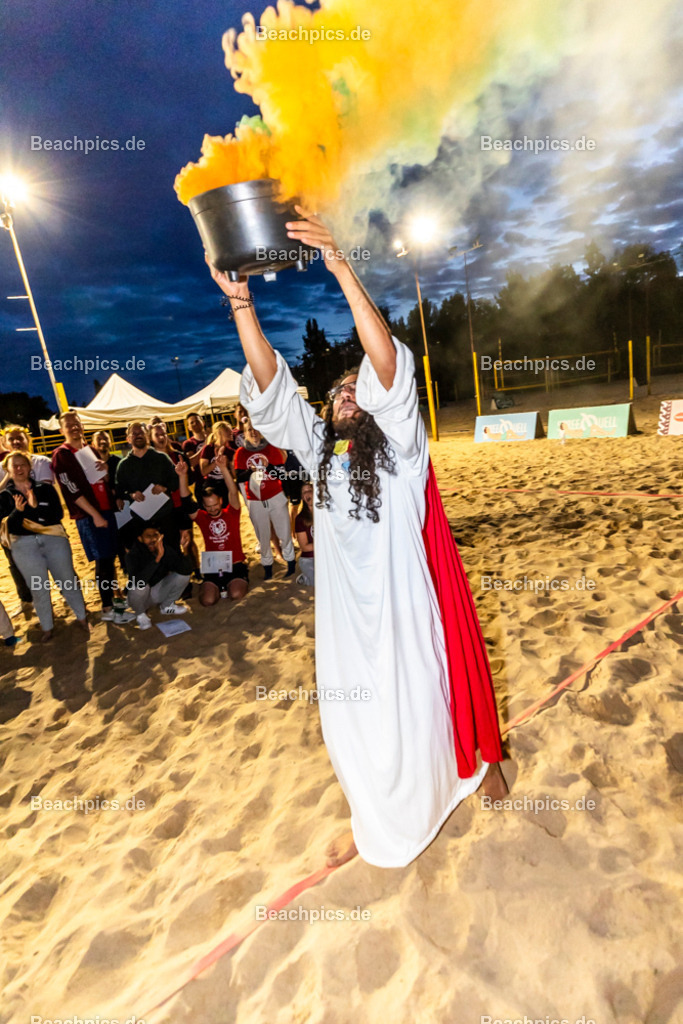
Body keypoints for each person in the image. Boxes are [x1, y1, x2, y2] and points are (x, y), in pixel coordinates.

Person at [207, 208, 507, 870]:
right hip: (344, 620)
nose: (347, 396)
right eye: (338, 393)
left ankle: (457, 784)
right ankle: (379, 823)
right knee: (352, 727)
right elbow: (269, 387)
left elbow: (387, 365)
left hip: (403, 609)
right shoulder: (316, 451)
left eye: (357, 391)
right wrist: (240, 307)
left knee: (418, 712)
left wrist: (340, 265)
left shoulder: (401, 449)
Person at [0, 452, 89, 641]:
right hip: (23, 545)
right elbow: (8, 527)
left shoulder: (45, 489)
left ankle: (82, 617)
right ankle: (47, 627)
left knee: (66, 580)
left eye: (22, 464)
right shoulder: (4, 496)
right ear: (7, 469)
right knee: (38, 587)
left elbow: (56, 514)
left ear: (29, 467)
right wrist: (20, 511)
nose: (18, 468)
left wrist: (34, 508)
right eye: (14, 465)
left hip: (53, 539)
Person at [52, 411, 131, 623]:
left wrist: (105, 472)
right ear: (62, 430)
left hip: (107, 510)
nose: (74, 427)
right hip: (90, 515)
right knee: (103, 562)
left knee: (110, 558)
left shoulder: (90, 449)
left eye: (76, 423)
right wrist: (95, 514)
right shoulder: (62, 454)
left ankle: (115, 604)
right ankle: (107, 608)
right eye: (69, 425)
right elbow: (71, 490)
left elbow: (102, 480)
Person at [176, 454, 248, 605]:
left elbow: (233, 491)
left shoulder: (232, 512)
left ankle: (235, 583)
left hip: (235, 564)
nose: (212, 509)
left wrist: (223, 468)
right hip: (214, 566)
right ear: (203, 505)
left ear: (221, 501)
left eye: (215, 505)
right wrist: (182, 476)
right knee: (207, 600)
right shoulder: (202, 517)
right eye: (208, 506)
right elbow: (186, 501)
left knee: (236, 593)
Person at [233, 421, 296, 579]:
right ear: (244, 434)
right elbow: (239, 477)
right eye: (249, 430)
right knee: (263, 535)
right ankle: (267, 566)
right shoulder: (241, 453)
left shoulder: (272, 448)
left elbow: (282, 475)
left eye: (256, 429)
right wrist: (251, 471)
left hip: (275, 495)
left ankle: (290, 563)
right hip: (255, 499)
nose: (253, 433)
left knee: (284, 531)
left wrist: (267, 467)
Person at [114, 421, 179, 548]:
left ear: (147, 436)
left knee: (171, 553)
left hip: (165, 516)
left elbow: (175, 481)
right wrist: (131, 495)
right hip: (140, 520)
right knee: (148, 560)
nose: (138, 435)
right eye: (134, 433)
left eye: (141, 433)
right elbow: (120, 490)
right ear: (128, 439)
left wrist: (164, 487)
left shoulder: (162, 458)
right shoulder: (123, 465)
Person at [125, 525, 192, 629]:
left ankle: (167, 606)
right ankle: (141, 615)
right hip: (138, 598)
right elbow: (138, 581)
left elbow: (185, 571)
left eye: (155, 535)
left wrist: (185, 549)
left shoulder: (164, 549)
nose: (152, 539)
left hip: (157, 593)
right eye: (148, 536)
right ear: (140, 538)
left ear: (160, 536)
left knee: (183, 576)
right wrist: (157, 559)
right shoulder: (133, 554)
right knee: (140, 586)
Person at [198, 421, 233, 503]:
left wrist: (229, 465)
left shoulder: (231, 451)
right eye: (227, 430)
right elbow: (203, 472)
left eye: (230, 430)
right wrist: (217, 461)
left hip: (226, 483)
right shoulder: (208, 449)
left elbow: (234, 475)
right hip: (211, 483)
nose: (231, 432)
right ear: (219, 433)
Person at [182, 413, 208, 496]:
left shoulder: (213, 437)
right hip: (201, 483)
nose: (195, 423)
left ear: (203, 422)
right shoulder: (188, 444)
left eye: (197, 421)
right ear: (188, 428)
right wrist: (206, 445)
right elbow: (192, 462)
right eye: (191, 422)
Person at [294, 480, 315, 586]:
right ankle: (304, 578)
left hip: (326, 555)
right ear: (302, 497)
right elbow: (305, 547)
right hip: (309, 558)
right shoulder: (300, 518)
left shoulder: (326, 513)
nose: (307, 494)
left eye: (310, 490)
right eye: (304, 492)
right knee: (317, 584)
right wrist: (324, 543)